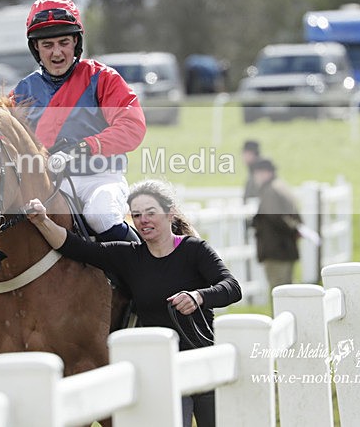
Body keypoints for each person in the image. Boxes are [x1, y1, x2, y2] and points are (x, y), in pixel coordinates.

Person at [25, 179, 242, 427]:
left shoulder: (194, 250)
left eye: (151, 213)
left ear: (169, 213)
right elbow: (75, 247)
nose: (143, 221)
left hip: (203, 363)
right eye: (137, 215)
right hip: (162, 371)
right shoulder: (129, 256)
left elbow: (232, 288)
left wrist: (198, 296)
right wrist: (41, 220)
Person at [11, 0, 146, 243]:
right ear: (36, 48)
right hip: (50, 184)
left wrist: (84, 148)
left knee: (100, 216)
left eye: (64, 42)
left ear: (76, 41)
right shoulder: (22, 91)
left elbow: (132, 126)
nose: (57, 52)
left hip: (101, 178)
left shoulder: (103, 78)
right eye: (48, 45)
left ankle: (146, 271)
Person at [250, 158, 301, 293]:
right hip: (285, 248)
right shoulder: (281, 187)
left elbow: (276, 218)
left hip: (276, 249)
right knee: (286, 288)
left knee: (279, 291)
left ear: (265, 173)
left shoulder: (270, 191)